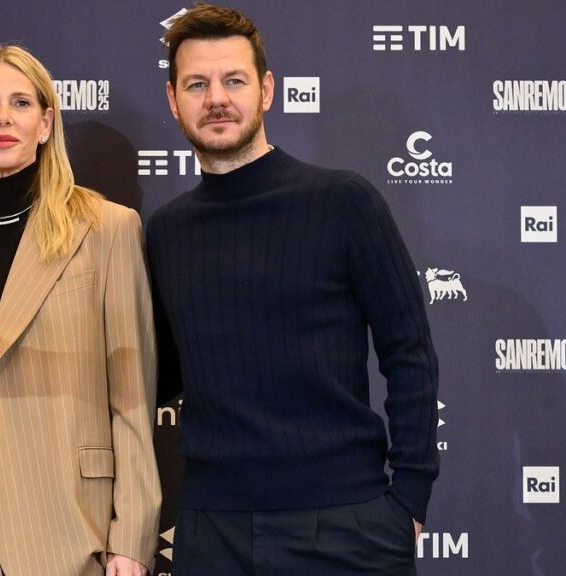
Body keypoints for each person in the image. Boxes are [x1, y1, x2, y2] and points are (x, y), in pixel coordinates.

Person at [147, 5, 440, 575]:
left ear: (266, 90)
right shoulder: (165, 230)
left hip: (346, 523)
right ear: (173, 100)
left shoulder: (344, 202)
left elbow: (410, 352)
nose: (216, 99)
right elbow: (158, 375)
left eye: (234, 81)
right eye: (197, 84)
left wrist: (409, 499)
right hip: (213, 529)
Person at [0, 45, 161, 576]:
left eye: (20, 103)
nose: (3, 117)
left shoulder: (107, 229)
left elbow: (132, 396)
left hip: (72, 526)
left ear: (45, 124)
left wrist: (132, 537)